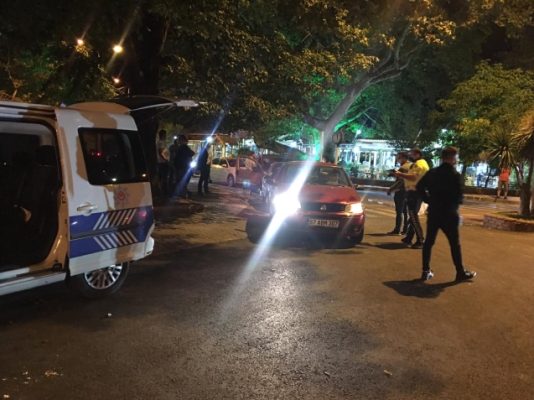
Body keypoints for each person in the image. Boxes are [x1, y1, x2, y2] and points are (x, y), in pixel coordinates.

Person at [416, 147, 476, 282]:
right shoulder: (455, 175)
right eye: (456, 157)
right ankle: (460, 272)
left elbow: (419, 186)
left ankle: (425, 270)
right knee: (454, 244)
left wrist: (428, 199)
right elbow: (459, 197)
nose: (457, 160)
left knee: (429, 242)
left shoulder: (433, 173)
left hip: (434, 211)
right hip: (449, 213)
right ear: (452, 158)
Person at [394, 148, 429, 249]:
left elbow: (413, 177)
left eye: (412, 154)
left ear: (417, 154)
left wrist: (399, 174)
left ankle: (420, 240)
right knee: (413, 217)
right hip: (415, 192)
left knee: (413, 217)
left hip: (415, 193)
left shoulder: (419, 164)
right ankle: (409, 237)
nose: (410, 156)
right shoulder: (420, 163)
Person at [386, 152, 411, 235]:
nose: (397, 159)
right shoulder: (410, 165)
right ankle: (405, 229)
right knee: (405, 211)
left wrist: (391, 189)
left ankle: (397, 229)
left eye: (399, 158)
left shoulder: (404, 167)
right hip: (408, 190)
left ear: (404, 158)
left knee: (399, 211)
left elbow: (400, 181)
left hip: (401, 191)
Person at [156, 130, 170, 196]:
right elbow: (160, 152)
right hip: (162, 162)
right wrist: (165, 159)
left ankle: (163, 192)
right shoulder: (161, 143)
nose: (165, 136)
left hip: (162, 162)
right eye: (165, 135)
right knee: (164, 178)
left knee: (163, 178)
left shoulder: (162, 142)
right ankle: (164, 193)